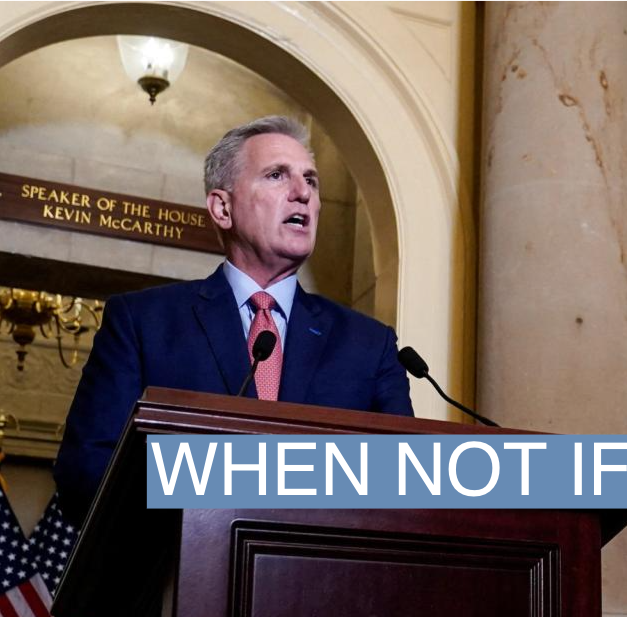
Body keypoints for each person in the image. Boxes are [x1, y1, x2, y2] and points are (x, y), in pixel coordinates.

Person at [53, 115, 414, 525]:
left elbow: (408, 483)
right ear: (222, 208)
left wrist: (224, 472)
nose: (302, 193)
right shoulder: (141, 323)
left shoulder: (369, 346)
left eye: (311, 181)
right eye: (277, 175)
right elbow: (84, 475)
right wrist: (253, 477)